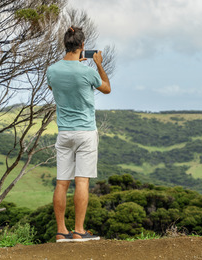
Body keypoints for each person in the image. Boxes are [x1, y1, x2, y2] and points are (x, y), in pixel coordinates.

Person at [47, 26, 111, 242]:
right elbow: (106, 88)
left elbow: (53, 87)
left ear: (65, 44)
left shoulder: (52, 70)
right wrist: (99, 65)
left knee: (62, 182)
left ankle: (60, 231)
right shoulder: (88, 71)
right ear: (83, 46)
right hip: (85, 132)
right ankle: (79, 231)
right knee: (81, 181)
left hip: (64, 133)